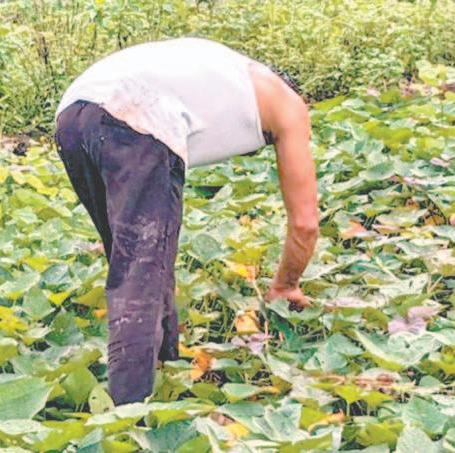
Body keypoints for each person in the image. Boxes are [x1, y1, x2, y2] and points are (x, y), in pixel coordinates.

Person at [54, 37, 318, 405]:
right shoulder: (289, 104)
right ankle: (128, 415)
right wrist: (286, 286)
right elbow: (305, 222)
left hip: (72, 117)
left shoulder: (226, 74)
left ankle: (166, 372)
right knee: (140, 276)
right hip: (137, 117)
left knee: (140, 260)